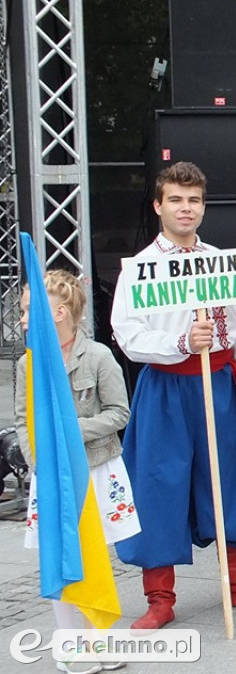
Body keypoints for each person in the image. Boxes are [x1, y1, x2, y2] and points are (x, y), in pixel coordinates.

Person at [110, 161, 236, 630]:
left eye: (193, 201)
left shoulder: (222, 262)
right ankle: (159, 597)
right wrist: (178, 344)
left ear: (203, 207)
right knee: (159, 484)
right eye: (175, 199)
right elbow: (126, 334)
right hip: (167, 387)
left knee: (231, 479)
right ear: (158, 205)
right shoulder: (141, 269)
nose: (185, 208)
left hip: (219, 381)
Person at [17, 270, 136, 671]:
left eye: (29, 311)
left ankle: (99, 640)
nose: (21, 319)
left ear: (60, 312)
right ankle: (70, 645)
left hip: (95, 470)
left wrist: (70, 432)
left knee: (93, 555)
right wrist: (39, 461)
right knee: (57, 553)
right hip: (51, 477)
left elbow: (120, 412)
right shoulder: (26, 363)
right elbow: (22, 420)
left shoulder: (99, 356)